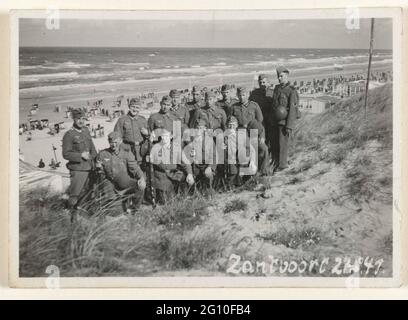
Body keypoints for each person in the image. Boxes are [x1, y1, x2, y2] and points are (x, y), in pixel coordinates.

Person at [96, 132, 146, 214]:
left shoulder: (126, 153)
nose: (114, 145)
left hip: (124, 182)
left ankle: (134, 209)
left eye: (116, 142)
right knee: (116, 213)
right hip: (110, 184)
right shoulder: (103, 154)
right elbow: (99, 173)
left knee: (140, 186)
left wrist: (141, 178)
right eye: (112, 142)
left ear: (120, 142)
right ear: (109, 142)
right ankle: (118, 204)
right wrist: (98, 168)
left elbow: (135, 168)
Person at [143, 130, 194, 205]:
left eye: (166, 136)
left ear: (170, 137)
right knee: (166, 201)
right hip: (161, 175)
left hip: (173, 173)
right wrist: (149, 142)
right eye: (163, 136)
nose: (164, 138)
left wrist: (190, 174)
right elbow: (159, 164)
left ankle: (183, 196)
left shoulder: (176, 147)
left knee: (188, 180)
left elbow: (186, 161)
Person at [62, 108, 97, 209]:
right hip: (78, 170)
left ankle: (83, 212)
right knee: (75, 194)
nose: (81, 121)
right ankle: (71, 215)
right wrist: (80, 156)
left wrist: (96, 160)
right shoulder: (69, 135)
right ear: (73, 119)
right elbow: (66, 154)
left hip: (90, 167)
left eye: (83, 118)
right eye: (78, 119)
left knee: (89, 192)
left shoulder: (86, 130)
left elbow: (92, 148)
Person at [270, 66, 298, 172]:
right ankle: (277, 162)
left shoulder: (291, 90)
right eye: (278, 76)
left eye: (281, 76)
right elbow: (274, 105)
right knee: (276, 144)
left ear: (287, 76)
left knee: (283, 144)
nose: (279, 78)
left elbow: (292, 110)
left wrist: (289, 126)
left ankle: (282, 166)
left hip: (284, 122)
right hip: (275, 121)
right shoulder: (277, 88)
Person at [182, 119, 217, 192]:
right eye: (196, 128)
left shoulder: (209, 140)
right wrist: (189, 173)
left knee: (208, 176)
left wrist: (210, 167)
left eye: (200, 128)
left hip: (206, 165)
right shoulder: (188, 140)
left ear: (205, 129)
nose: (198, 130)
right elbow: (186, 159)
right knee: (190, 182)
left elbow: (214, 156)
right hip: (195, 167)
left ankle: (209, 190)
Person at [224, 116, 257, 187]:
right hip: (231, 162)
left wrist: (252, 161)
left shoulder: (242, 135)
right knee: (232, 180)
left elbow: (251, 150)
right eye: (229, 124)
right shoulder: (223, 137)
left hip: (242, 160)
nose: (231, 126)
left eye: (233, 124)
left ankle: (247, 179)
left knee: (249, 176)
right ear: (226, 125)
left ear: (237, 125)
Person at [114, 98, 149, 163]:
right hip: (127, 149)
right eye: (133, 107)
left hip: (141, 150)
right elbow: (116, 137)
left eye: (137, 107)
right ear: (129, 107)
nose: (135, 109)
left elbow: (149, 136)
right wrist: (123, 150)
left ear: (140, 109)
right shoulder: (122, 120)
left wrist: (147, 134)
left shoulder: (143, 120)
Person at [249, 74, 274, 151]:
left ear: (268, 82)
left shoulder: (273, 93)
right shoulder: (254, 93)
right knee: (259, 140)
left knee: (271, 140)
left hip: (270, 120)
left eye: (264, 82)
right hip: (259, 120)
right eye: (260, 83)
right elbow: (250, 105)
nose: (262, 84)